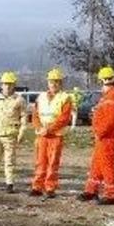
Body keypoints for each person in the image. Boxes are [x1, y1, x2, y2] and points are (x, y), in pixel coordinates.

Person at [79, 67, 114, 204]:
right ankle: (91, 190)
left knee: (107, 165)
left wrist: (100, 132)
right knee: (97, 163)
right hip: (105, 135)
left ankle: (111, 195)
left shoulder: (112, 95)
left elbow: (111, 119)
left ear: (102, 80)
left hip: (107, 136)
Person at [29, 69, 73, 198]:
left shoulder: (65, 98)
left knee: (53, 162)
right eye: (51, 82)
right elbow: (35, 115)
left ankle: (50, 187)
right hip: (42, 135)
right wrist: (39, 127)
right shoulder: (41, 97)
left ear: (60, 83)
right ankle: (37, 186)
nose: (53, 84)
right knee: (40, 161)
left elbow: (64, 118)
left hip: (55, 135)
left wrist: (48, 129)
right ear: (48, 83)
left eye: (56, 82)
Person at [0, 72, 26, 193]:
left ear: (14, 85)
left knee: (9, 160)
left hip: (10, 134)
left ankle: (9, 182)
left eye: (10, 84)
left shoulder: (19, 100)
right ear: (1, 85)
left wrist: (22, 132)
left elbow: (23, 117)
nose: (7, 86)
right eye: (5, 84)